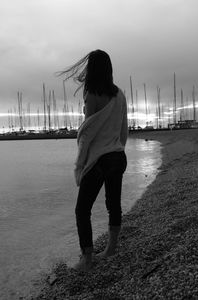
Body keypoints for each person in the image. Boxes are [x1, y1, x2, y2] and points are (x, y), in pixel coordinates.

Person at [59, 49, 128, 272]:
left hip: (100, 159)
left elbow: (88, 132)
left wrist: (80, 165)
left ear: (92, 69)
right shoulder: (120, 95)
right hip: (118, 155)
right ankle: (110, 248)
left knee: (82, 210)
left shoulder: (91, 94)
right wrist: (118, 149)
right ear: (109, 69)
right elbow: (123, 130)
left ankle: (87, 260)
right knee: (113, 204)